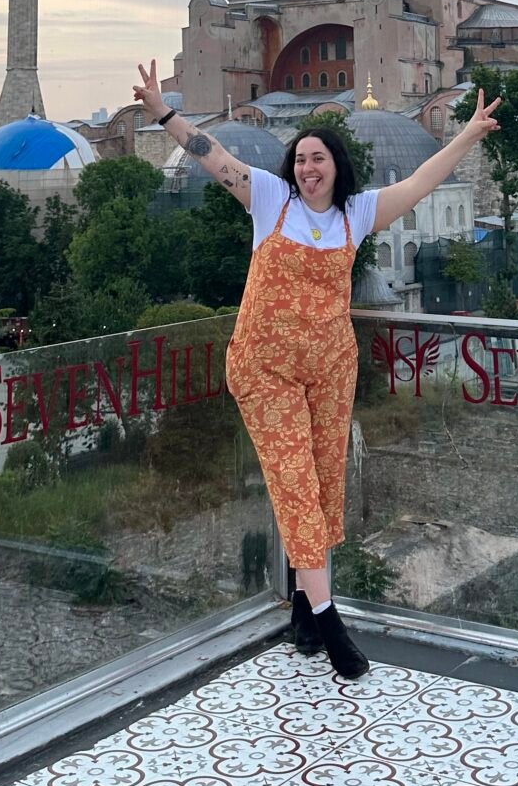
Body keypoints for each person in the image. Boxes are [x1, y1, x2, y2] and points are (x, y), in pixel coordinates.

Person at [133, 60, 499, 679]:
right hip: (265, 367)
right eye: (300, 158)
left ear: (337, 167)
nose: (307, 168)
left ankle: (303, 607)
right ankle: (331, 627)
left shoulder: (356, 214)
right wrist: (163, 112)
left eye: (318, 159)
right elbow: (211, 155)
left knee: (326, 484)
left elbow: (420, 184)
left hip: (331, 367)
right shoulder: (269, 200)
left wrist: (466, 134)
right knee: (296, 485)